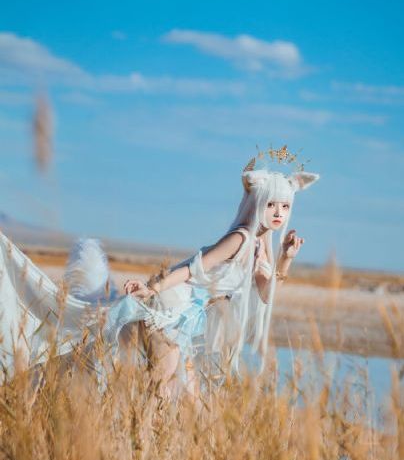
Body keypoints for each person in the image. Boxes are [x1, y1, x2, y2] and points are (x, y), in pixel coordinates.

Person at [0, 149, 319, 397]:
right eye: (272, 205)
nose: (278, 213)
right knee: (163, 386)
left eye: (285, 206)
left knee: (190, 398)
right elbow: (193, 268)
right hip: (173, 308)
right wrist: (152, 289)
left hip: (188, 316)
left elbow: (266, 293)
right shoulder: (241, 238)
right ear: (257, 203)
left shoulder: (261, 246)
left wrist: (285, 259)